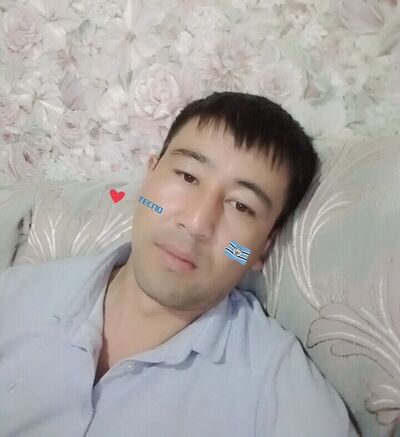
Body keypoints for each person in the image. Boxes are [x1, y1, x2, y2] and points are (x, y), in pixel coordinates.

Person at [0, 92, 359, 436]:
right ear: (149, 177)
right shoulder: (14, 295)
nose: (198, 223)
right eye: (188, 177)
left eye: (241, 206)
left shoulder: (279, 388)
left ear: (262, 249)